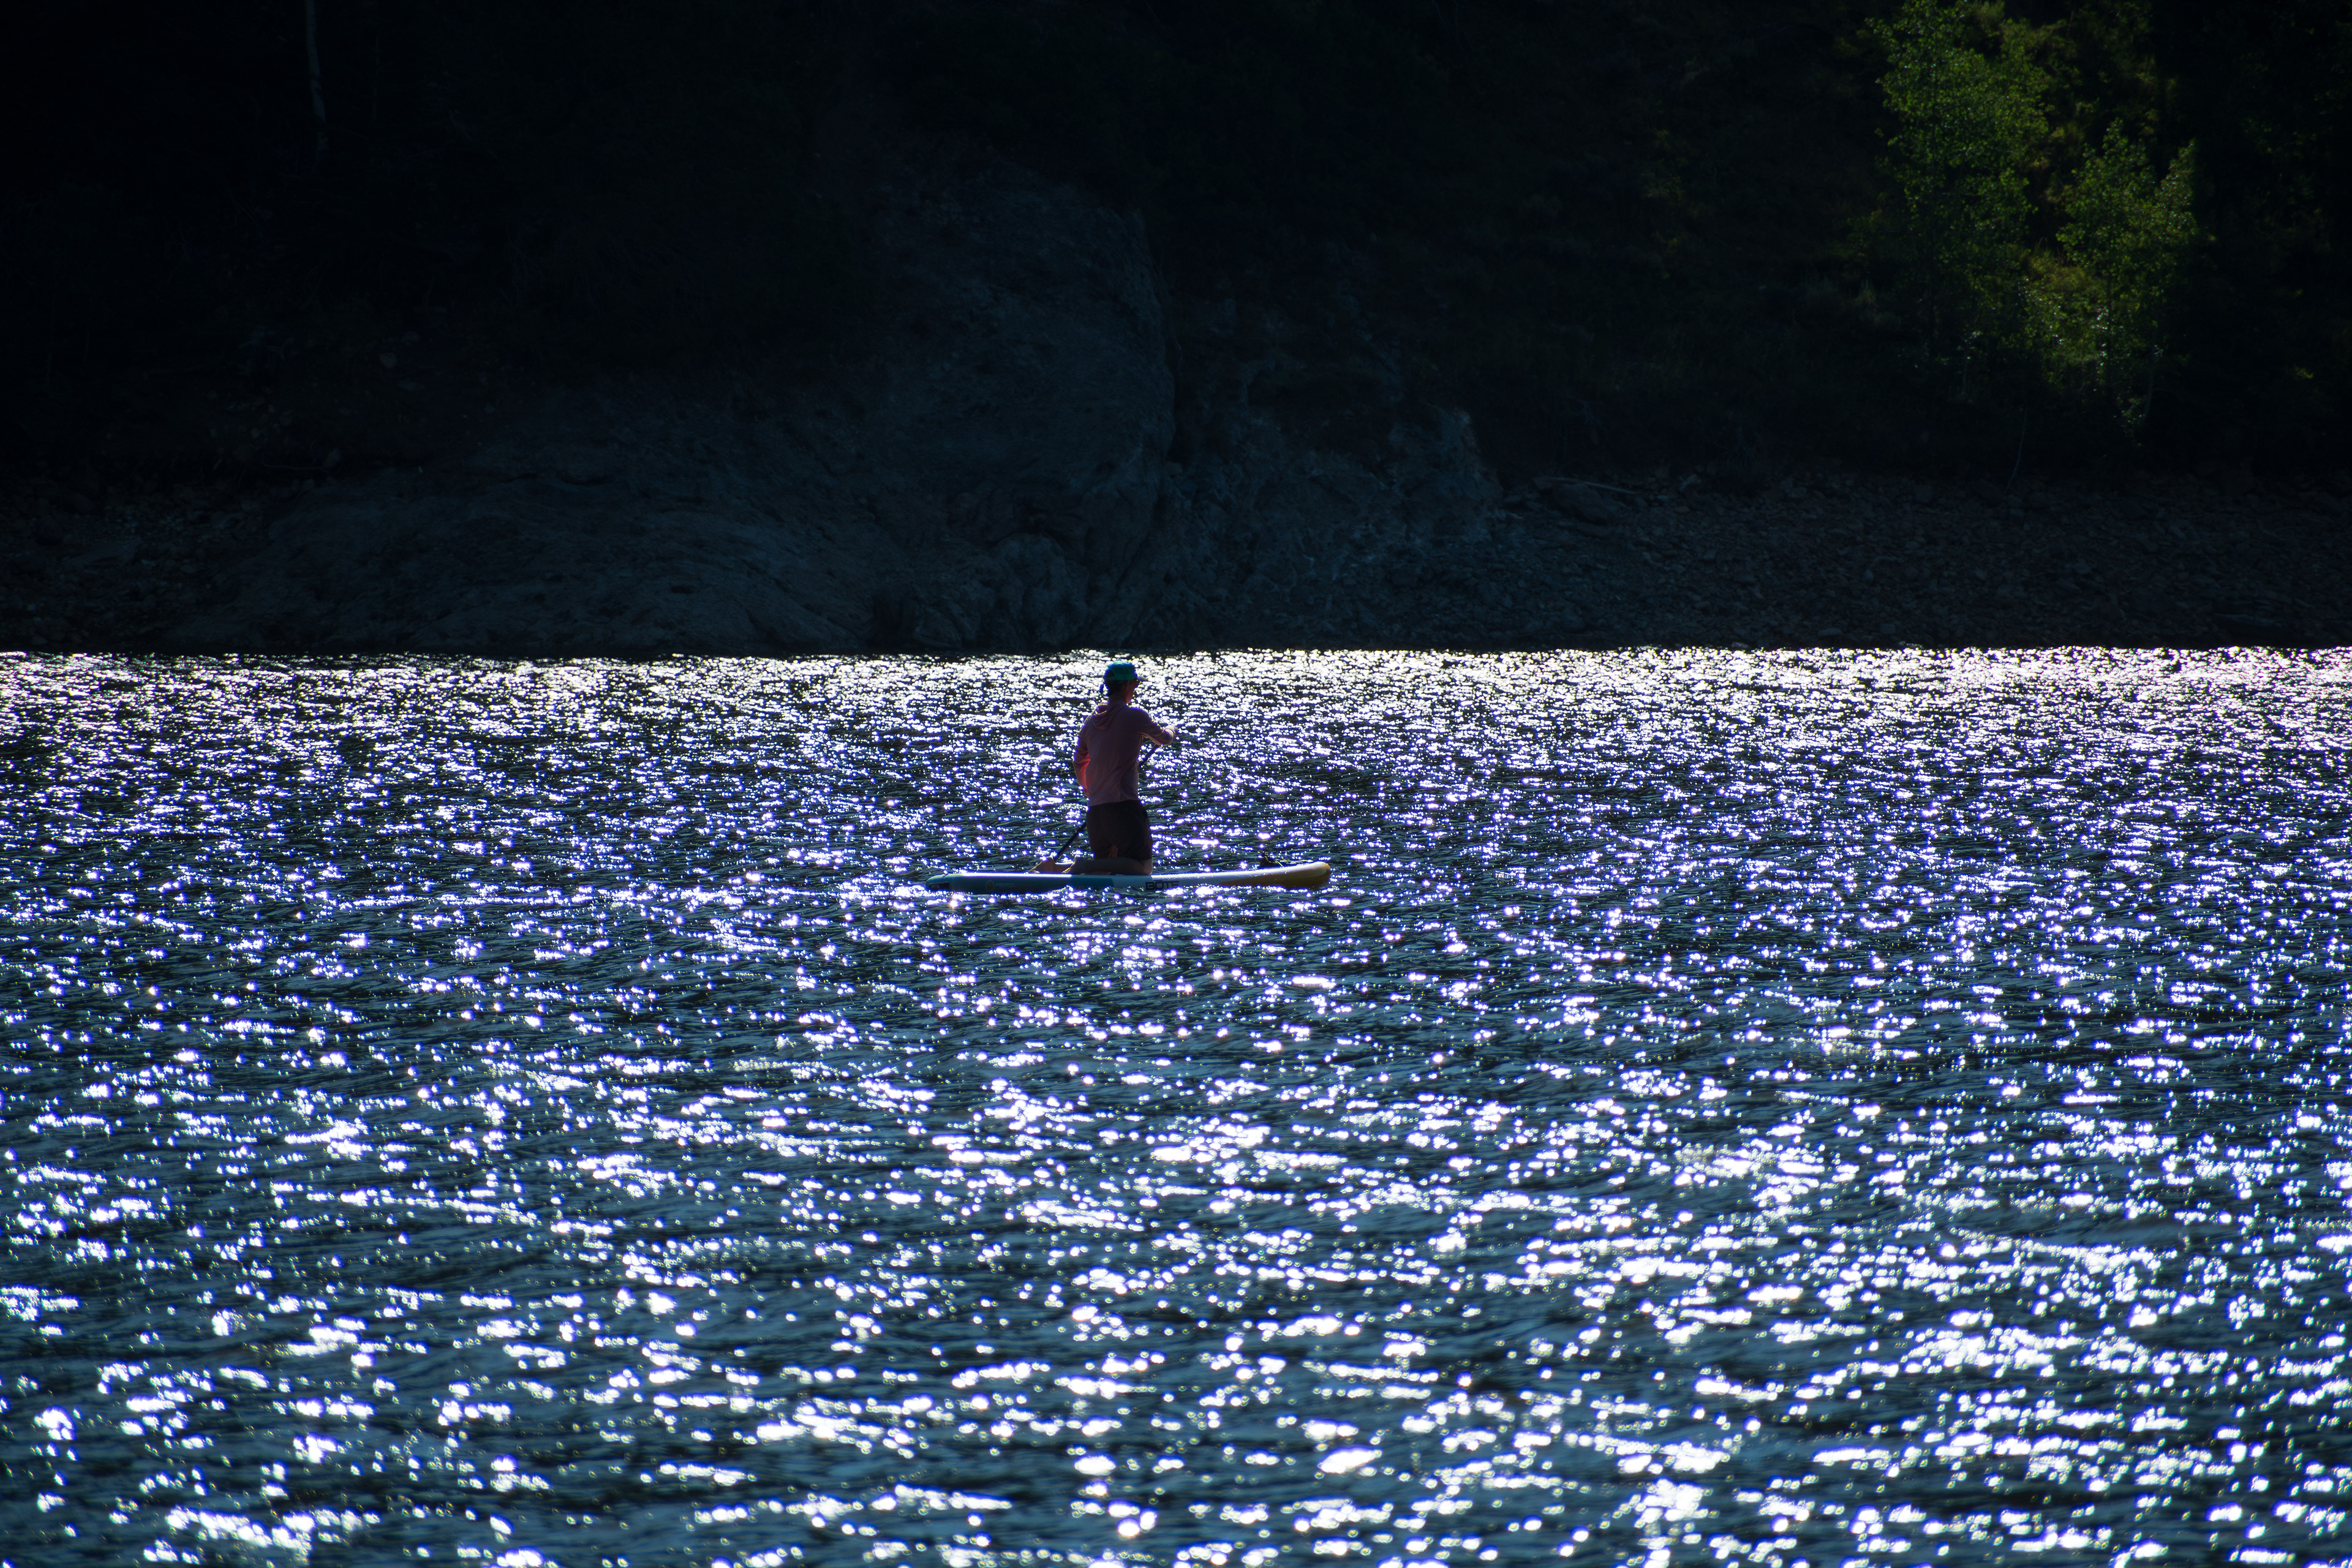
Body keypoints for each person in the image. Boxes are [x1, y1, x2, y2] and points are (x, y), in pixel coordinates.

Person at [1040, 660, 1174, 874]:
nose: (1136, 688)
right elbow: (1164, 739)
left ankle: (1057, 869)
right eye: (1136, 683)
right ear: (1126, 685)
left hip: (1096, 811)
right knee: (1143, 867)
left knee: (1104, 870)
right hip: (1123, 808)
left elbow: (1079, 761)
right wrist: (1173, 729)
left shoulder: (1091, 721)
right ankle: (1082, 865)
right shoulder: (1134, 715)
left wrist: (1090, 789)